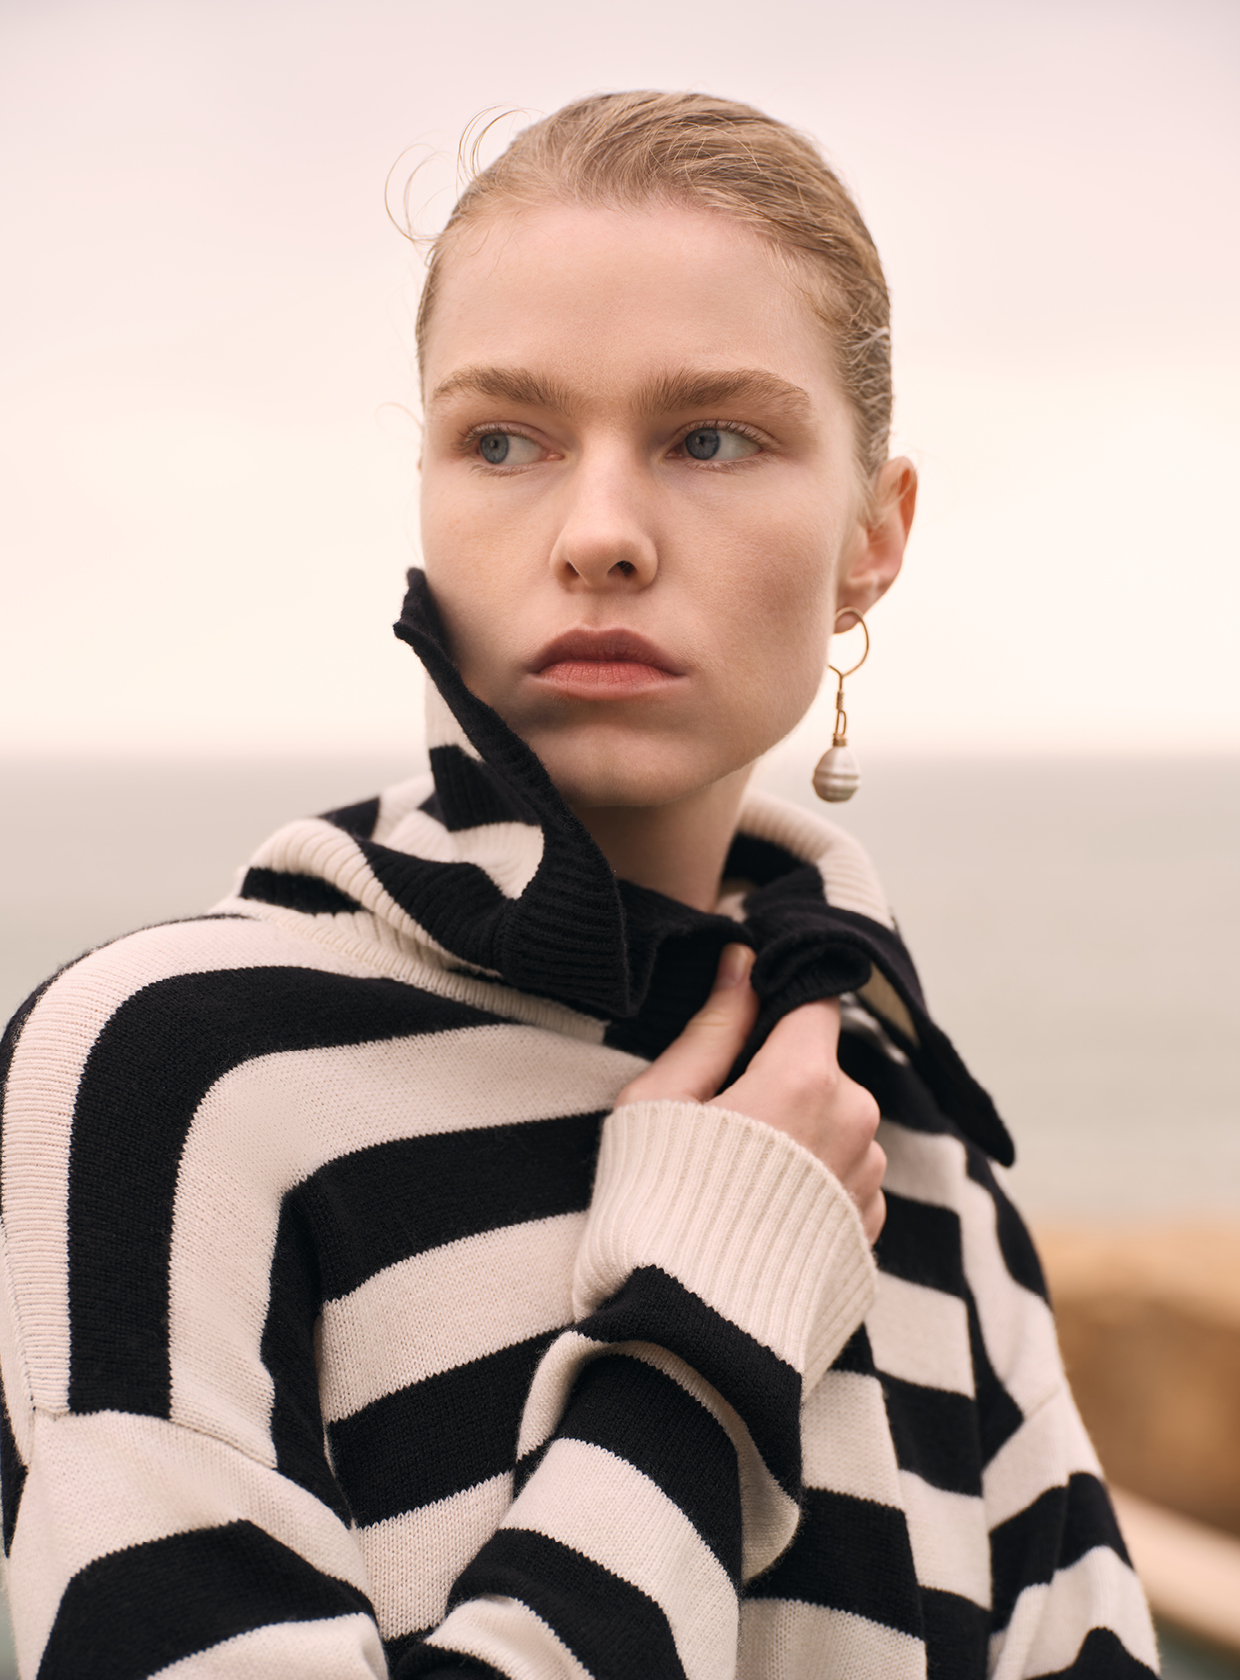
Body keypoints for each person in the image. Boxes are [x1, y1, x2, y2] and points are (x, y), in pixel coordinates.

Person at [0, 92, 1157, 1679]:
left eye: (711, 438)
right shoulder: (163, 1078)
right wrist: (702, 1339)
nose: (600, 534)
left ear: (873, 540)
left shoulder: (914, 1155)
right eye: (504, 441)